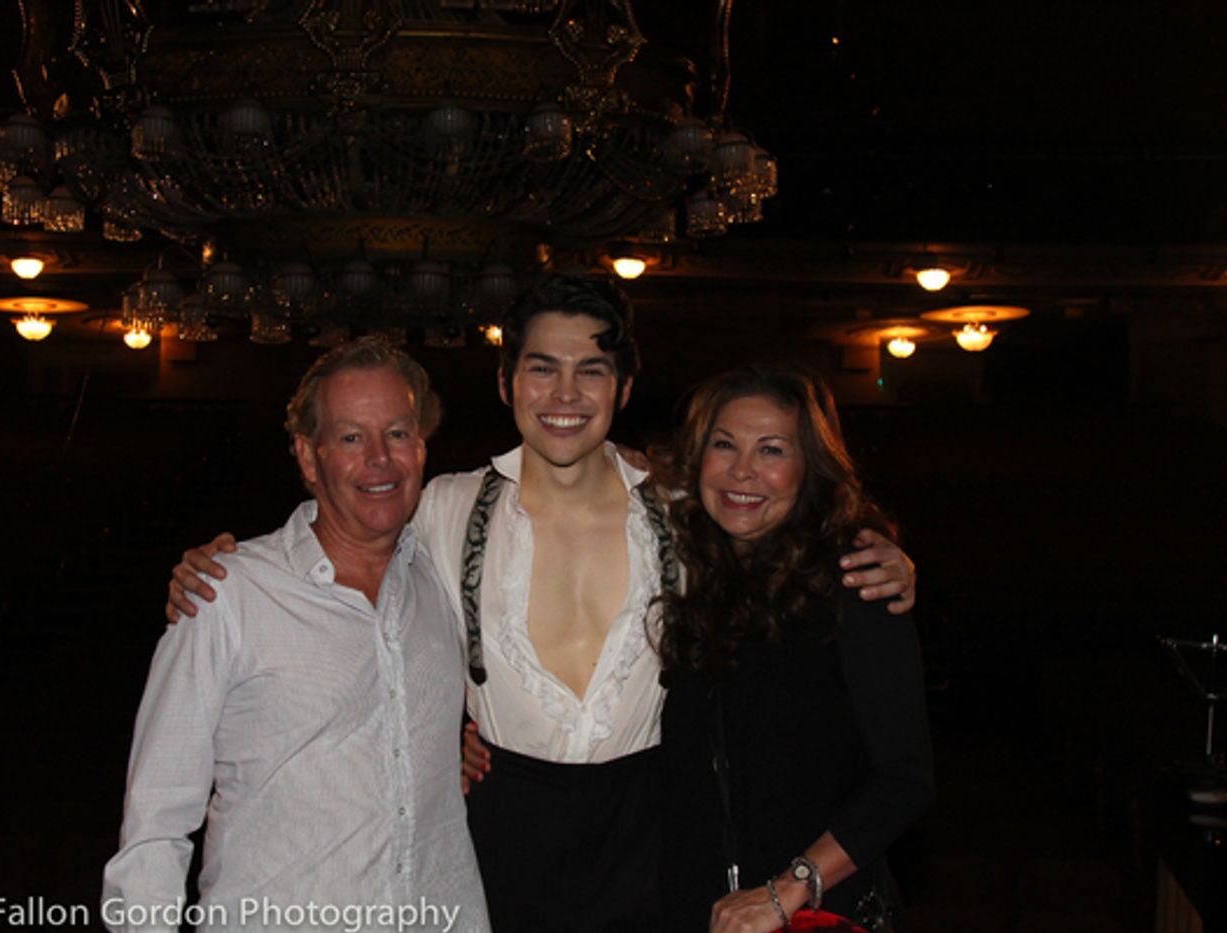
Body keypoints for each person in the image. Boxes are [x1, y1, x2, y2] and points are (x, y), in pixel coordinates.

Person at [166, 274, 917, 933]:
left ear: (623, 389)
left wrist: (885, 555)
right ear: (505, 382)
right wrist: (224, 567)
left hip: (651, 833)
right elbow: (342, 559)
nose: (565, 395)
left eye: (591, 370)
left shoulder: (690, 509)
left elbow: (789, 530)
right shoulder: (443, 508)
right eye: (542, 368)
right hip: (499, 834)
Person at [103, 337, 488, 933]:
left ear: (422, 445)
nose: (381, 460)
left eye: (399, 432)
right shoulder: (228, 594)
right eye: (352, 438)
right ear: (310, 458)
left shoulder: (444, 582)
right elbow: (156, 820)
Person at [655, 364, 933, 933]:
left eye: (772, 451)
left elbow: (905, 781)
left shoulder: (857, 586)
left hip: (812, 914)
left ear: (810, 469)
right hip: (697, 910)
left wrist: (787, 891)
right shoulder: (685, 577)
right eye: (724, 445)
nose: (742, 471)